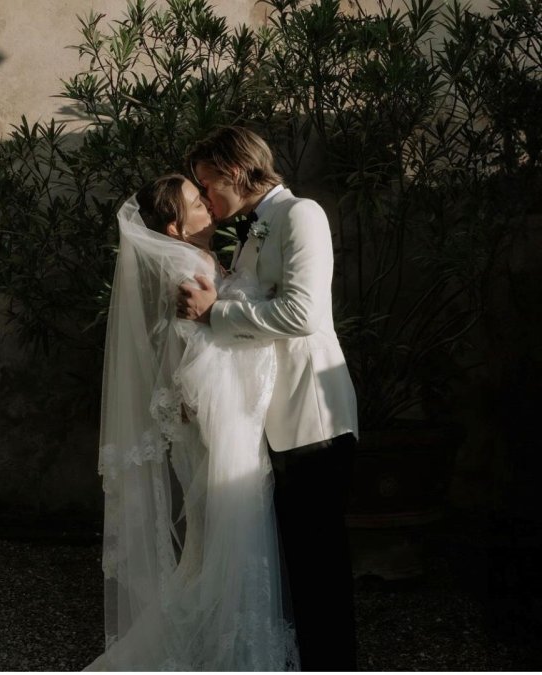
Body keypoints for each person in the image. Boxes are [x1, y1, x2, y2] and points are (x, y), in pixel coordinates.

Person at [91, 174, 297, 670]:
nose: (207, 204)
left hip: (213, 416)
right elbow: (195, 347)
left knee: (210, 543)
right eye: (195, 202)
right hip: (214, 420)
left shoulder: (195, 258)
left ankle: (205, 649)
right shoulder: (188, 265)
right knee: (220, 538)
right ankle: (211, 653)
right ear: (175, 227)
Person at [178, 125, 360, 670]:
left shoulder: (300, 215)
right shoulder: (254, 229)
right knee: (292, 570)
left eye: (208, 184)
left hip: (311, 419)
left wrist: (216, 313)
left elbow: (303, 315)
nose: (206, 197)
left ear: (235, 172)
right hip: (270, 420)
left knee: (319, 570)